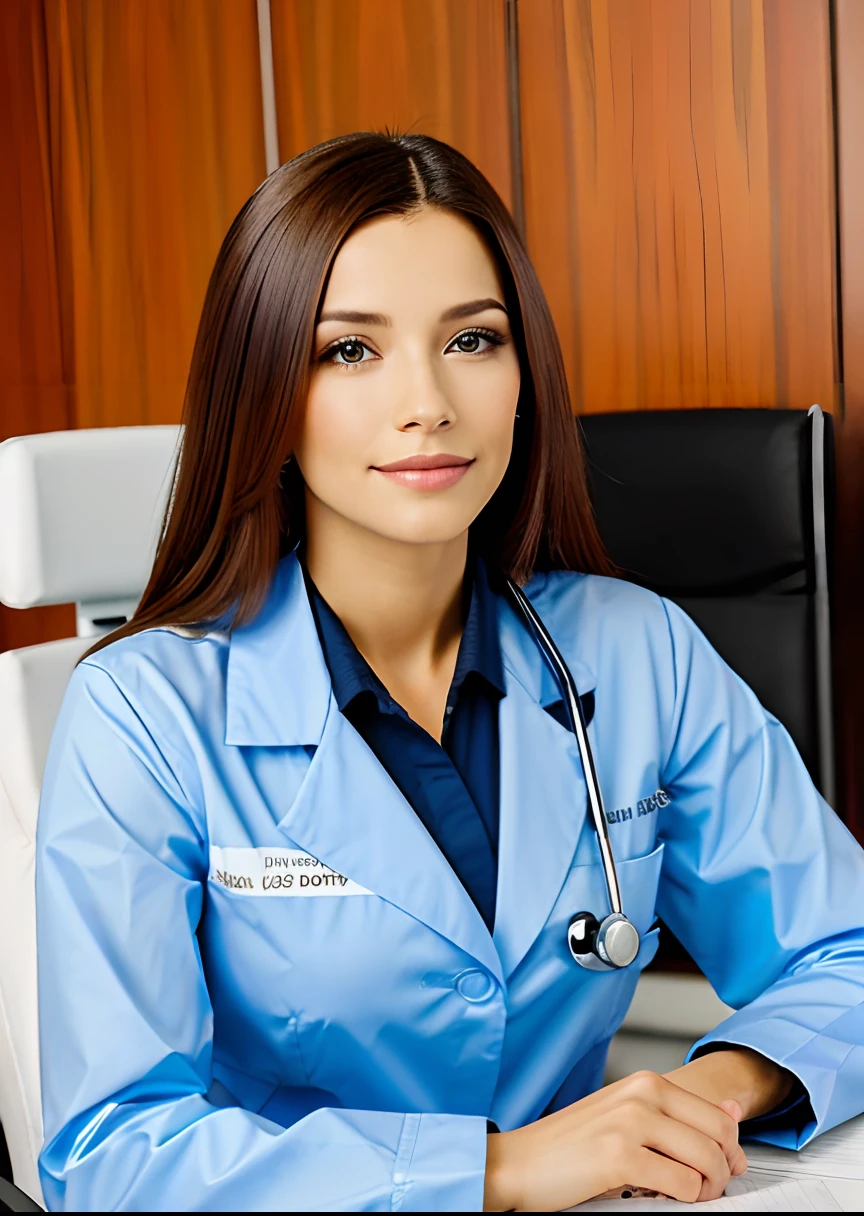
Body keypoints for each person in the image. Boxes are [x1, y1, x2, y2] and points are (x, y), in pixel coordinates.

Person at [35, 132, 864, 1213]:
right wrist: (494, 1170)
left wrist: (707, 1090)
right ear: (265, 393)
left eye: (473, 340)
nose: (427, 402)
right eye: (349, 351)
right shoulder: (142, 714)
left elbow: (845, 948)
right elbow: (113, 1153)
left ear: (525, 374)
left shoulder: (635, 649)